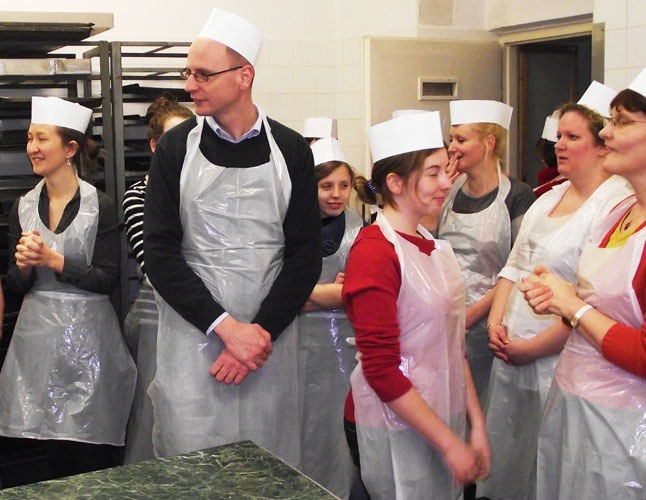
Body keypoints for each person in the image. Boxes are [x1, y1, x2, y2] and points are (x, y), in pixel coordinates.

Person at [143, 8, 321, 466]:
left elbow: (304, 254)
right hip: (194, 341)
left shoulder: (291, 150)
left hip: (268, 345)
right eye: (188, 73)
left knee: (269, 468)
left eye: (202, 74)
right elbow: (159, 252)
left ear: (245, 76)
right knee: (194, 467)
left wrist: (257, 335)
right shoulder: (176, 149)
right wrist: (225, 328)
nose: (189, 86)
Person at [480, 82, 633, 500]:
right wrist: (496, 323)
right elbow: (514, 265)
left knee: (547, 463)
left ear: (601, 145)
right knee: (510, 454)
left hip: (556, 358)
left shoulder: (613, 206)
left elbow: (593, 300)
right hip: (512, 349)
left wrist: (532, 349)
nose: (559, 145)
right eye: (559, 136)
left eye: (573, 137)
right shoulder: (549, 197)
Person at [343, 111, 491, 500]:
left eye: (446, 170)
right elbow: (380, 369)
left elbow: (452, 345)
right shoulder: (375, 252)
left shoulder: (430, 243)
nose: (447, 182)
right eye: (433, 173)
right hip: (388, 420)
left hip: (441, 414)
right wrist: (450, 443)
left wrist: (475, 425)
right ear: (395, 182)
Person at [519, 68, 646, 500]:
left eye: (621, 122)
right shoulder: (618, 214)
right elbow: (600, 301)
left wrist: (574, 307)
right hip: (576, 412)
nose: (605, 133)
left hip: (624, 432)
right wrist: (559, 296)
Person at [0, 96, 136, 483]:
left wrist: (54, 260)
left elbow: (107, 279)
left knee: (90, 452)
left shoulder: (100, 206)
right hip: (37, 346)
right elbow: (14, 285)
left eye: (42, 138)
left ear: (70, 148)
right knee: (48, 455)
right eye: (30, 138)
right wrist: (24, 267)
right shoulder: (22, 207)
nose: (32, 147)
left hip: (90, 345)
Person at [437, 99, 536, 406]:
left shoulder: (518, 197)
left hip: (492, 325)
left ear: (489, 143)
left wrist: (472, 315)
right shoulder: (447, 192)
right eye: (452, 139)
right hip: (445, 318)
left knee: (487, 405)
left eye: (461, 139)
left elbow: (520, 268)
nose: (453, 147)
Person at [121, 95, 193, 464]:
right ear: (154, 146)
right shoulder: (139, 196)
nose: (184, 149)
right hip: (157, 317)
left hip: (204, 317)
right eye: (173, 140)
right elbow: (156, 266)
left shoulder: (205, 192)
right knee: (154, 413)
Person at [298, 137, 363, 497]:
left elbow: (357, 293)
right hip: (295, 343)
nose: (336, 195)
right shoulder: (291, 227)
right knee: (301, 424)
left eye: (343, 185)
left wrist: (303, 295)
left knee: (337, 429)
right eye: (326, 186)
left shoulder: (359, 228)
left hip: (344, 349)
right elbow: (278, 293)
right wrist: (331, 293)